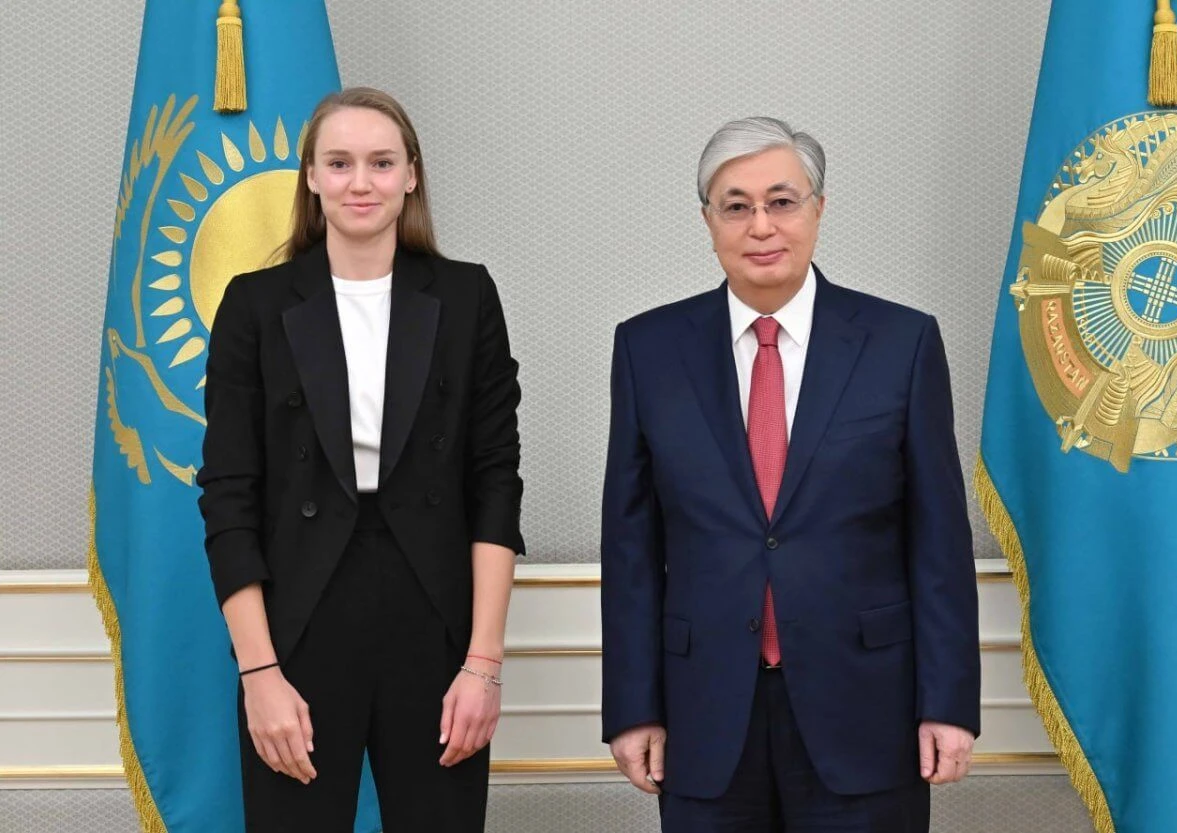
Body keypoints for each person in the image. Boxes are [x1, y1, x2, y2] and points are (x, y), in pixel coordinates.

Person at [600, 116, 980, 832]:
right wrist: (632, 706)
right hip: (704, 712)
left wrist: (949, 703)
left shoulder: (901, 342)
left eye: (782, 201)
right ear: (708, 221)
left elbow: (938, 541)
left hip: (868, 710)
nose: (761, 226)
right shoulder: (647, 349)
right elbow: (630, 548)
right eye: (736, 205)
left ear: (818, 209)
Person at [197, 87, 523, 833]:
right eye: (339, 163)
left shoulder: (467, 296)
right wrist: (259, 673)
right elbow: (228, 497)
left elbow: (495, 484)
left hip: (435, 621)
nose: (360, 182)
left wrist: (482, 665)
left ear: (411, 174)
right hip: (296, 622)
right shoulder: (254, 304)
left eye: (381, 162)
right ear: (311, 177)